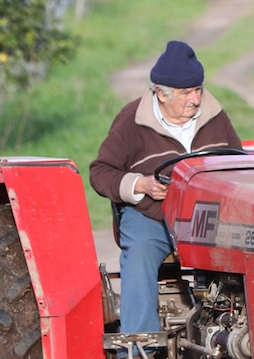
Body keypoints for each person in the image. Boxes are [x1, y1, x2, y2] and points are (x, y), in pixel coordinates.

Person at [89, 40, 243, 339]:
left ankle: (240, 338)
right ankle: (140, 347)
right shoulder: (132, 120)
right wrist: (140, 184)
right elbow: (100, 172)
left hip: (207, 216)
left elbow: (237, 162)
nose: (196, 99)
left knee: (249, 250)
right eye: (187, 93)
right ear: (160, 92)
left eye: (198, 89)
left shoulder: (215, 115)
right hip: (152, 215)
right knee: (140, 254)